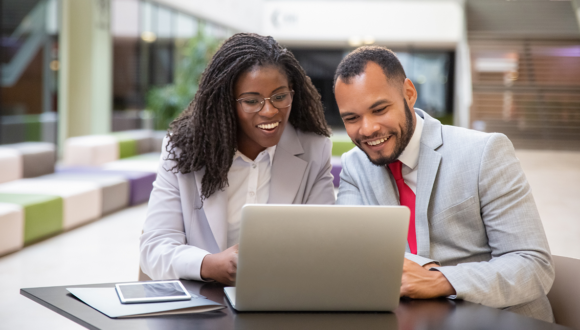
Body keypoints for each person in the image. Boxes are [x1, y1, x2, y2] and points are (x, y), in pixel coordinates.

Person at [333, 46, 554, 322]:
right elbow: (352, 259)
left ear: (409, 94)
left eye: (379, 109)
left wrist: (440, 280)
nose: (367, 129)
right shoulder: (355, 165)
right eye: (351, 118)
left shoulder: (484, 152)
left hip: (498, 320)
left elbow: (533, 266)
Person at [140, 33, 335, 285]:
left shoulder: (314, 150)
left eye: (279, 96)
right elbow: (154, 247)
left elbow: (325, 245)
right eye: (252, 101)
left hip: (280, 301)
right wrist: (209, 265)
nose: (269, 111)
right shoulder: (183, 150)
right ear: (225, 104)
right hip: (201, 306)